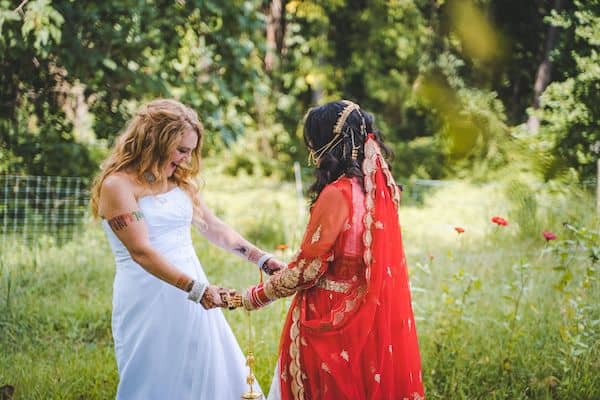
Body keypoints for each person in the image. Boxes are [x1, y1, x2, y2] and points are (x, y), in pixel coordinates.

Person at [90, 98, 283, 399]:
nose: (184, 158)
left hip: (195, 289)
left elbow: (214, 227)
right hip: (150, 294)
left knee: (207, 365)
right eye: (180, 150)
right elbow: (141, 251)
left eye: (190, 151)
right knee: (154, 373)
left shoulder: (181, 183)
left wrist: (262, 259)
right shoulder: (119, 186)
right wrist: (196, 289)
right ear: (154, 141)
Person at [239, 100, 425, 399]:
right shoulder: (379, 189)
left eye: (313, 143)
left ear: (327, 143)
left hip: (329, 314)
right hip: (369, 315)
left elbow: (308, 270)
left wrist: (255, 296)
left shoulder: (337, 193)